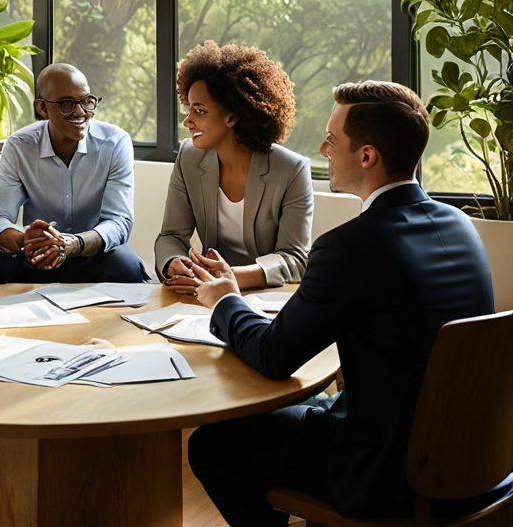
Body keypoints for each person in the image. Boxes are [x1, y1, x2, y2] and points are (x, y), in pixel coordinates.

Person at [188, 80, 495, 526]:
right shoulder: (461, 225)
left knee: (212, 445)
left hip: (388, 472)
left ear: (367, 155)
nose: (322, 147)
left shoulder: (351, 246)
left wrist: (224, 301)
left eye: (332, 139)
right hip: (473, 458)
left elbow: (274, 356)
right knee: (298, 411)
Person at [156, 41, 312, 293]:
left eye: (200, 110)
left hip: (265, 295)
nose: (188, 121)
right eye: (189, 108)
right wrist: (176, 264)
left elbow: (294, 258)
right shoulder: (188, 157)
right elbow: (171, 236)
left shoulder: (291, 170)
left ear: (232, 116)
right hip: (205, 290)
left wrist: (231, 277)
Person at [0, 62, 147, 283]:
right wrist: (25, 240)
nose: (81, 112)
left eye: (87, 101)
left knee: (126, 264)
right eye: (67, 104)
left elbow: (119, 222)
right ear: (42, 108)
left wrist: (73, 244)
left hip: (91, 254)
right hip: (38, 258)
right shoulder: (20, 146)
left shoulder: (115, 143)